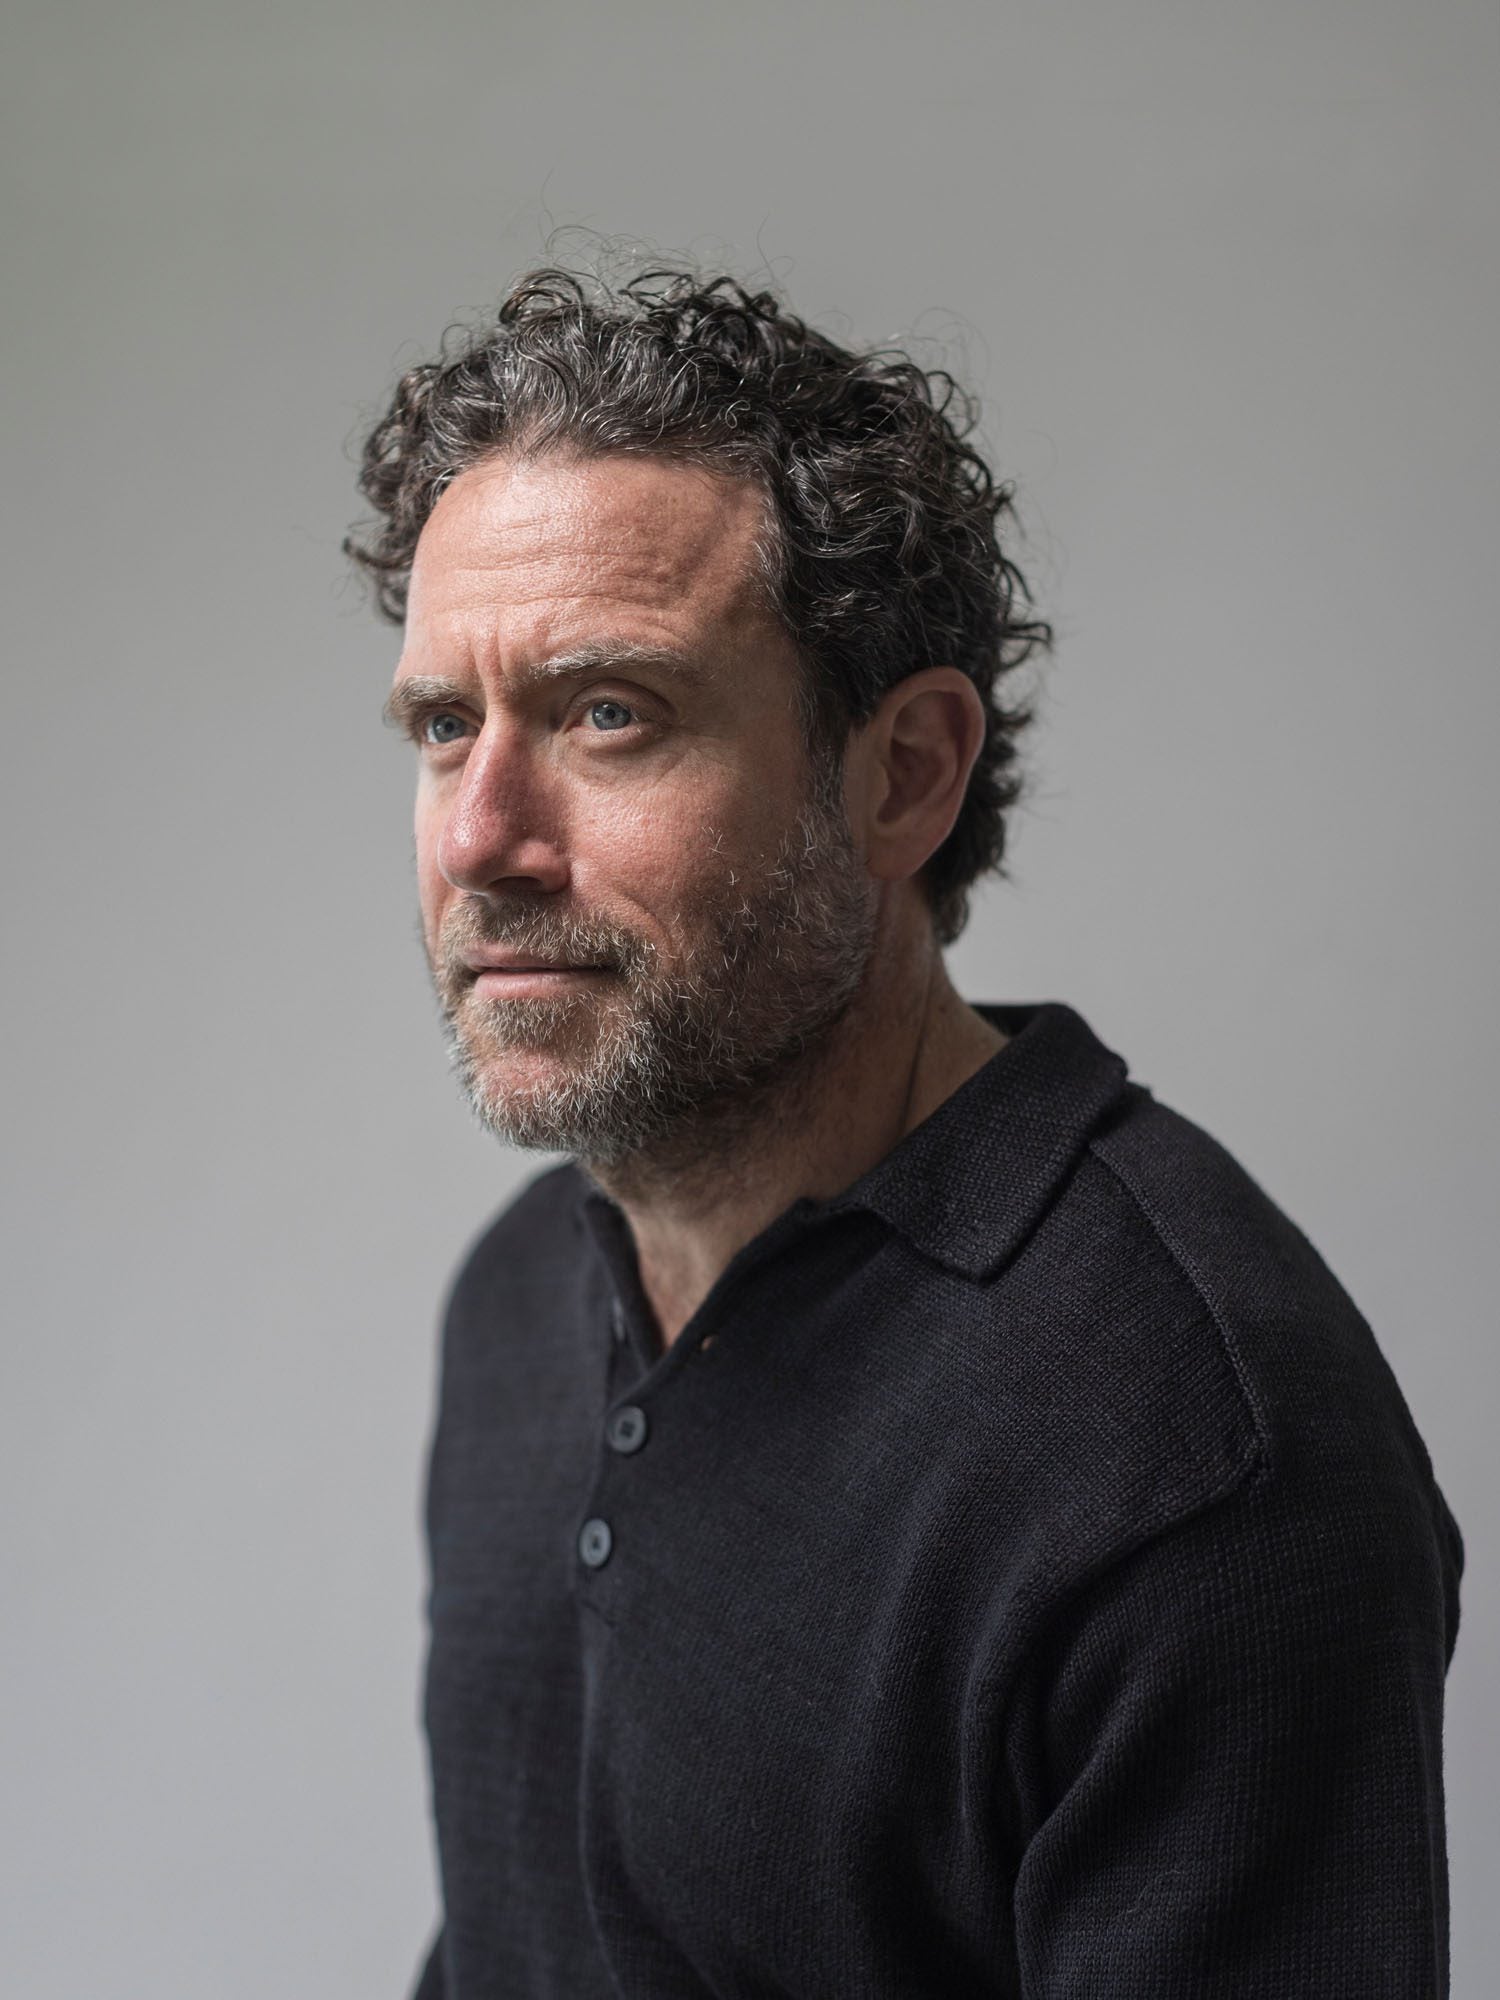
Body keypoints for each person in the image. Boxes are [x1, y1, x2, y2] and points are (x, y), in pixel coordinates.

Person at [346, 261, 1465, 1999]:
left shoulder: (1197, 1452)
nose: (482, 837)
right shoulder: (517, 1302)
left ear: (906, 772)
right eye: (443, 725)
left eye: (608, 713)